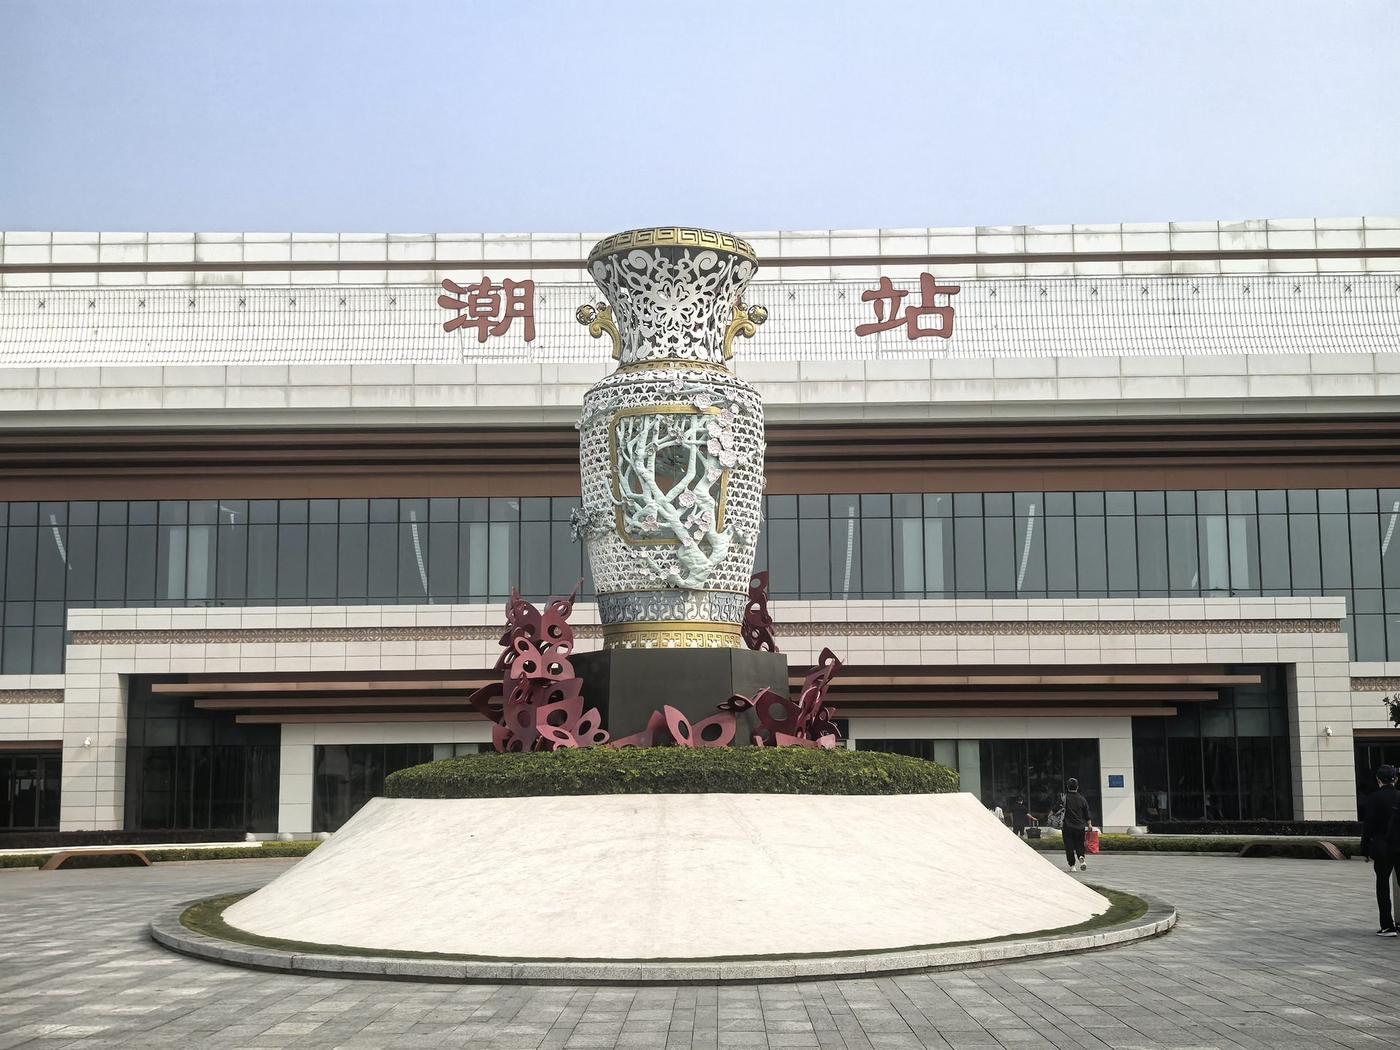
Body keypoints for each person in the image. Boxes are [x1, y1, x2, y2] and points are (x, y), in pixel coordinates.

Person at [1359, 764, 1400, 937]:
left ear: (1378, 779)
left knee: (1382, 886)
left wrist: (1364, 847)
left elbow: (1368, 826)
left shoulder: (1373, 799)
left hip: (1382, 848)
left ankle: (1387, 926)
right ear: (1395, 779)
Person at [1062, 777, 1094, 872]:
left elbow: (1057, 809)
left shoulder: (1065, 798)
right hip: (1080, 826)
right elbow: (1087, 813)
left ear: (1067, 787)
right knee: (1080, 844)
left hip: (1067, 826)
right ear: (1077, 787)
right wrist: (1089, 824)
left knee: (1069, 846)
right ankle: (1081, 857)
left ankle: (1072, 866)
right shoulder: (1082, 799)